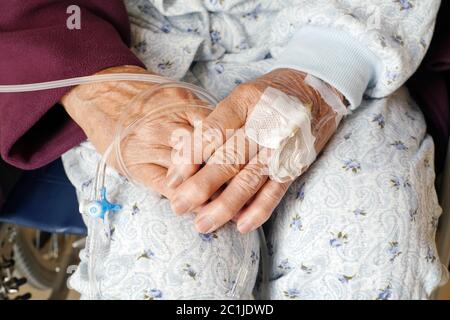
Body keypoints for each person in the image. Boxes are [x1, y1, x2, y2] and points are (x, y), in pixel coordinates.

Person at [0, 0, 447, 299]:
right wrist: (94, 81)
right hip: (120, 42)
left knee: (361, 251)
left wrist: (326, 74)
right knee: (171, 268)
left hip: (346, 30)